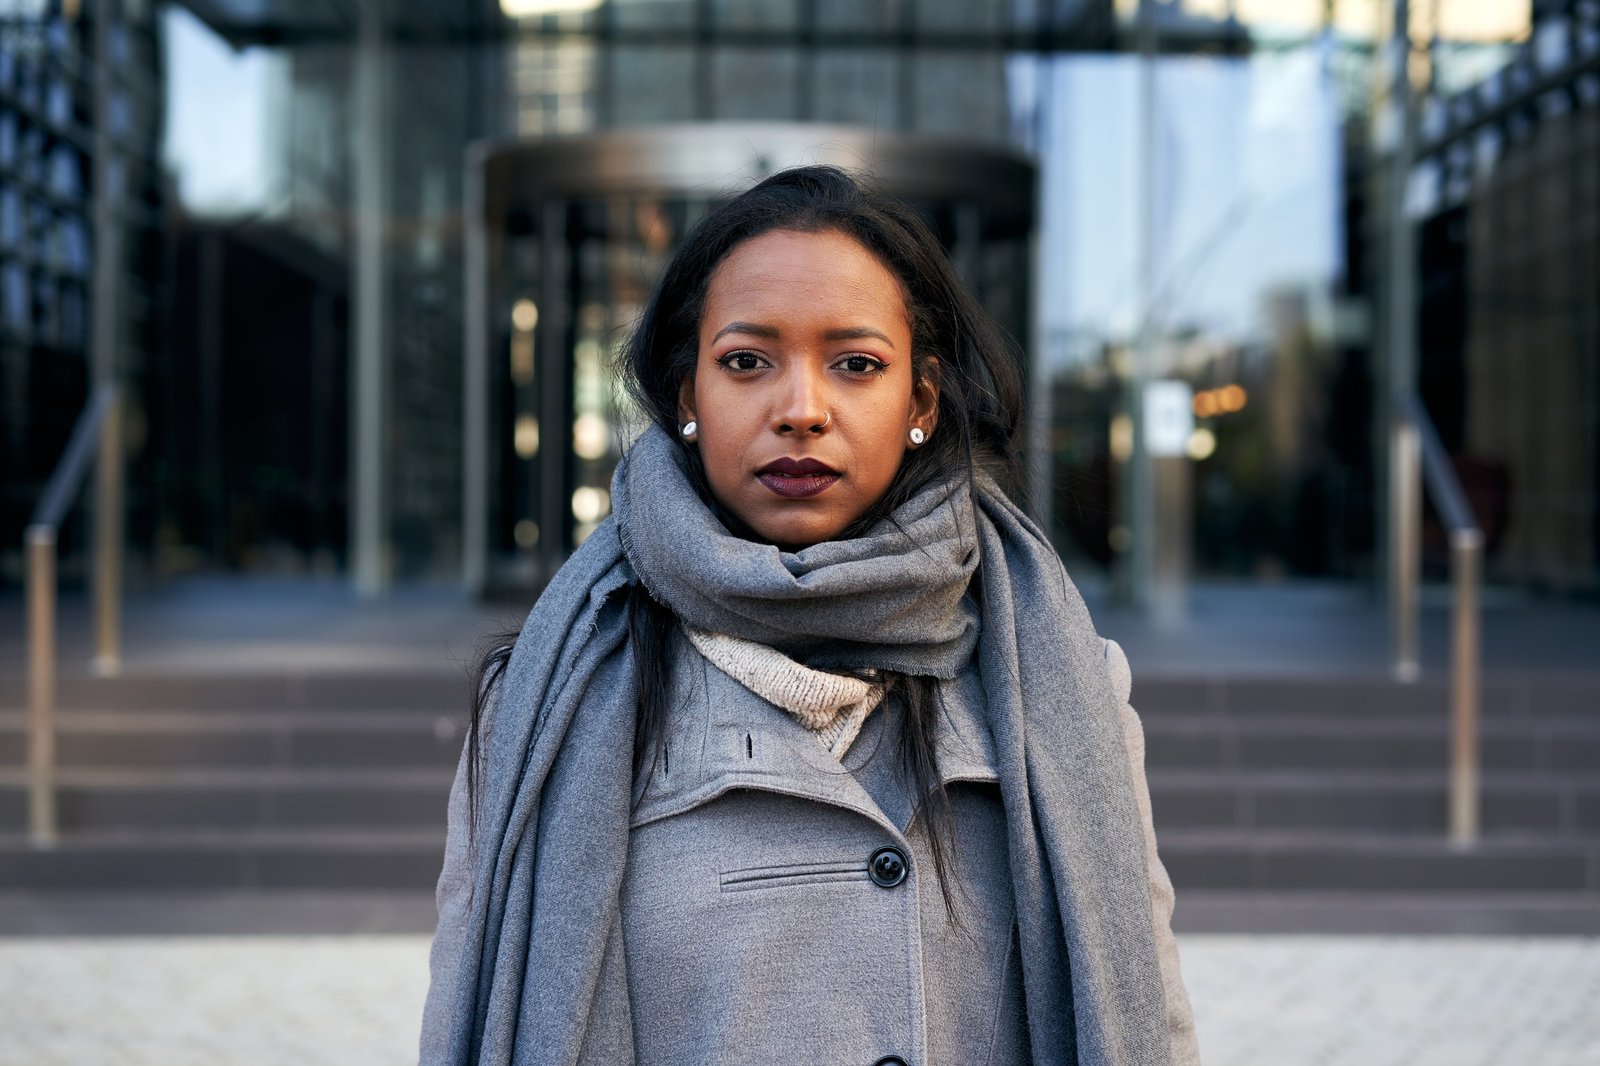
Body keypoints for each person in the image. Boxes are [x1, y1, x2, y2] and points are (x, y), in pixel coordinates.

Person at [420, 165, 1200, 1066]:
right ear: (686, 397)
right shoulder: (547, 700)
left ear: (920, 401)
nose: (801, 411)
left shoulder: (1061, 680)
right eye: (746, 362)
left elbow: (1152, 1018)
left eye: (857, 365)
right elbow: (461, 1029)